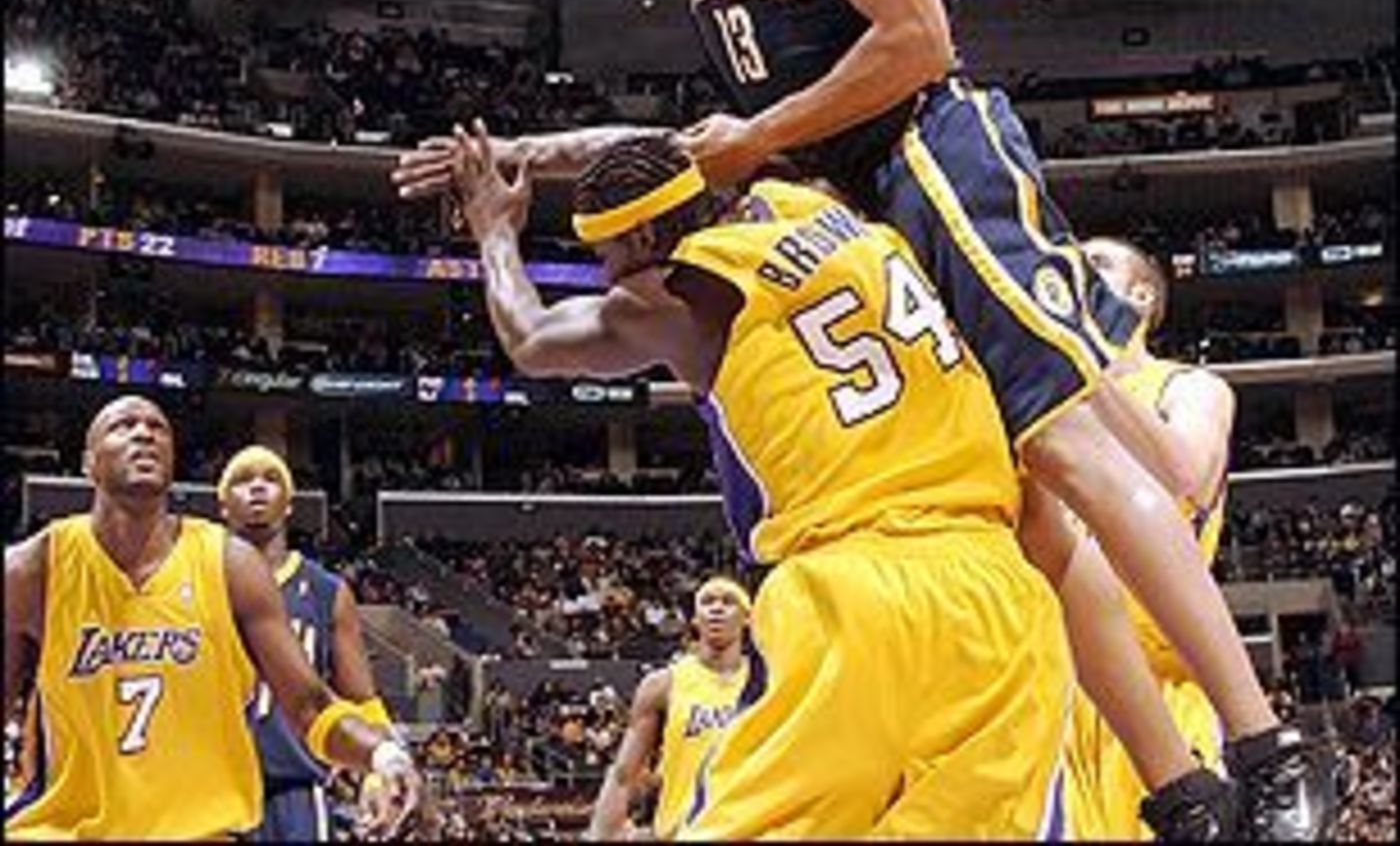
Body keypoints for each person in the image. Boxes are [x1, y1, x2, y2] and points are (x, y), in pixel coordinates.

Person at [393, 0, 1335, 838]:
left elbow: (915, 43)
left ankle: (1266, 744)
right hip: (825, 177)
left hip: (923, 150)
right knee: (1026, 518)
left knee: (1068, 446)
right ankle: (1178, 793)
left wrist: (758, 137)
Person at [449, 125, 1076, 839]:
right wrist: (528, 151)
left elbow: (531, 340)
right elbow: (682, 143)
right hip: (1000, 589)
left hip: (855, 587)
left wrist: (494, 231)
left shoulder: (676, 297)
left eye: (606, 254)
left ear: (646, 236)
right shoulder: (814, 203)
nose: (607, 275)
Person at [3, 396, 420, 840]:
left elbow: (310, 706)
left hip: (208, 828)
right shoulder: (33, 570)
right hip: (68, 831)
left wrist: (385, 756)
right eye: (123, 426)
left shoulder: (230, 565)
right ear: (89, 463)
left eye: (158, 428)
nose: (144, 434)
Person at [1063, 238, 1243, 841]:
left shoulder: (1189, 387)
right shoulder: (1045, 407)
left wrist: (1084, 370)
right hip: (1056, 688)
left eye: (1097, 263)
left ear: (1141, 296)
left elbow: (1187, 472)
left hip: (1161, 688)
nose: (1076, 267)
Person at [219, 444, 392, 842]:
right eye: (243, 480)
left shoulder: (326, 590)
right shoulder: (197, 582)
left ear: (289, 504)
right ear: (223, 505)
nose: (257, 487)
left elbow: (361, 698)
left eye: (271, 479)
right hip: (213, 788)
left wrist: (376, 771)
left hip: (294, 790)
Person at [587, 576, 751, 840]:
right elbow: (624, 774)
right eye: (708, 601)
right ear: (695, 619)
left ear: (747, 618)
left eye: (728, 601)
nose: (717, 608)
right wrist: (601, 834)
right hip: (685, 831)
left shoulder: (768, 683)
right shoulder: (662, 684)